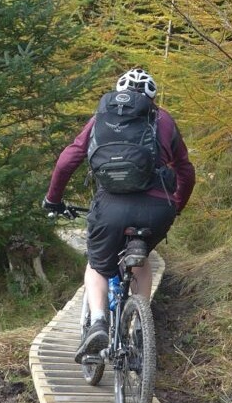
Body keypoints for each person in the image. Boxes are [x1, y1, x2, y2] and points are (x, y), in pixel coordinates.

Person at [42, 68, 195, 361]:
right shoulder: (163, 120)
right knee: (142, 259)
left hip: (110, 207)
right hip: (155, 208)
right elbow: (186, 171)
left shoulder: (101, 117)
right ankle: (139, 327)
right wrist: (176, 205)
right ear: (152, 97)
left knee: (98, 264)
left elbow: (68, 159)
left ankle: (98, 322)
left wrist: (54, 198)